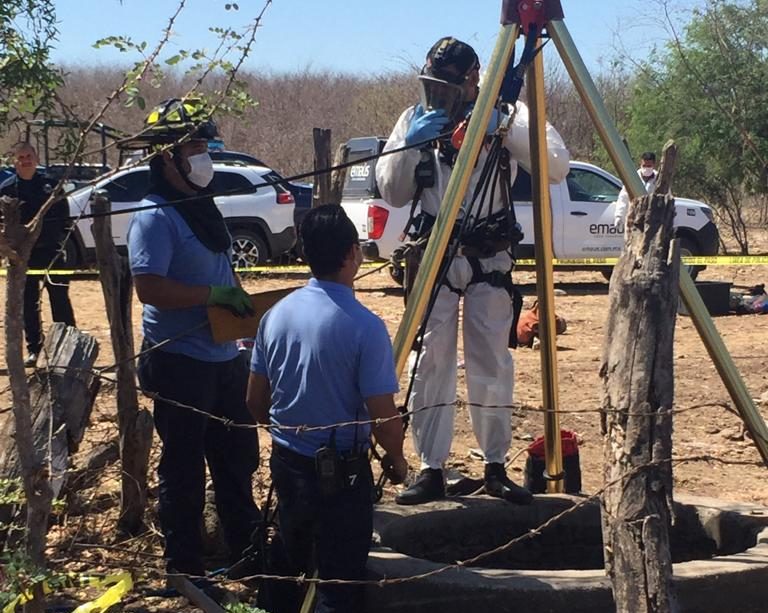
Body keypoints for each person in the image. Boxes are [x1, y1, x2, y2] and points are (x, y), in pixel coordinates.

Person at [375, 36, 570, 505]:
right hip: (434, 254)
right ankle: (431, 467)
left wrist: (500, 124)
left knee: (491, 362)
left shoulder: (510, 112)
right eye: (432, 83)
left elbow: (557, 166)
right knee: (431, 363)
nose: (438, 92)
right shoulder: (413, 119)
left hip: (489, 256)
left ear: (472, 80)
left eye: (448, 84)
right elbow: (394, 192)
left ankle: (495, 465)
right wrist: (414, 144)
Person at [247, 204, 407, 613]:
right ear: (353, 253)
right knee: (339, 579)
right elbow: (384, 419)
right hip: (343, 476)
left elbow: (254, 402)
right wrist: (398, 458)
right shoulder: (364, 327)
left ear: (305, 253)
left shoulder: (275, 316)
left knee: (289, 562)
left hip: (288, 463)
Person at [127, 98, 261, 585]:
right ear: (168, 158)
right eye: (196, 148)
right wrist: (212, 294)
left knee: (237, 460)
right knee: (184, 469)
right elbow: (150, 287)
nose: (205, 157)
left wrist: (238, 307)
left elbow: (218, 268)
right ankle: (184, 566)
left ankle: (248, 552)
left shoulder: (200, 207)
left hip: (226, 355)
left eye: (206, 146)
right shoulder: (154, 215)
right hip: (181, 362)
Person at [0, 142, 76, 367]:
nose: (25, 160)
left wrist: (60, 239)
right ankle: (35, 349)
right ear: (15, 161)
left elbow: (64, 215)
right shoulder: (6, 190)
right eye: (21, 157)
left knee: (60, 298)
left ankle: (69, 345)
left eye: (29, 156)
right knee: (28, 302)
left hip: (51, 251)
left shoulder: (51, 186)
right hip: (22, 257)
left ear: (37, 158)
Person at [613, 151, 658, 228]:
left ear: (654, 165)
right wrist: (619, 216)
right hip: (634, 218)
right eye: (644, 165)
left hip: (652, 220)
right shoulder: (632, 178)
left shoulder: (659, 179)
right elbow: (623, 197)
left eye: (649, 166)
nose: (646, 168)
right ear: (640, 164)